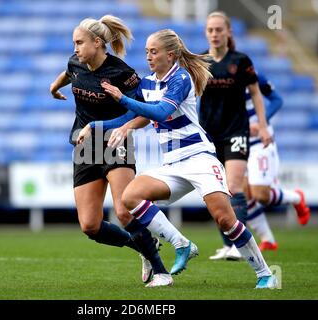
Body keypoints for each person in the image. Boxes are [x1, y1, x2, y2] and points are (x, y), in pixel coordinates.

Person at [78, 29, 278, 289]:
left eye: (154, 51)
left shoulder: (181, 78)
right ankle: (182, 243)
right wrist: (96, 125)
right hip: (173, 163)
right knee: (130, 198)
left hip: (199, 158)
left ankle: (265, 274)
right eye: (147, 51)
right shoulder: (148, 83)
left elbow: (161, 112)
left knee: (225, 219)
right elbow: (131, 117)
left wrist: (123, 98)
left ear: (170, 55)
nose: (148, 56)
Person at [49, 15, 171, 288]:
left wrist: (126, 128)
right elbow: (69, 73)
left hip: (115, 143)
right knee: (90, 226)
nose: (75, 48)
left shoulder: (122, 73)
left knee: (125, 212)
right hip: (85, 147)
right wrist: (55, 86)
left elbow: (141, 108)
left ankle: (162, 273)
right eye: (73, 43)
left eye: (79, 42)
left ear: (97, 42)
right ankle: (144, 247)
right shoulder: (76, 61)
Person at [196, 11, 273, 261]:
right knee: (215, 189)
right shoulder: (200, 61)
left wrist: (261, 126)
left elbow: (256, 93)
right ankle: (229, 244)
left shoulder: (241, 61)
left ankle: (238, 245)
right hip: (209, 133)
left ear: (228, 32)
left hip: (236, 130)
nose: (215, 34)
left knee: (233, 186)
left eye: (219, 29)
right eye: (210, 30)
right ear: (206, 33)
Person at [244, 74, 311, 251]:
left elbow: (276, 100)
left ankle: (296, 197)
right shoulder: (215, 81)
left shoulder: (249, 74)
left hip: (260, 143)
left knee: (261, 196)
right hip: (237, 145)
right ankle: (268, 239)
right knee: (242, 194)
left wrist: (261, 123)